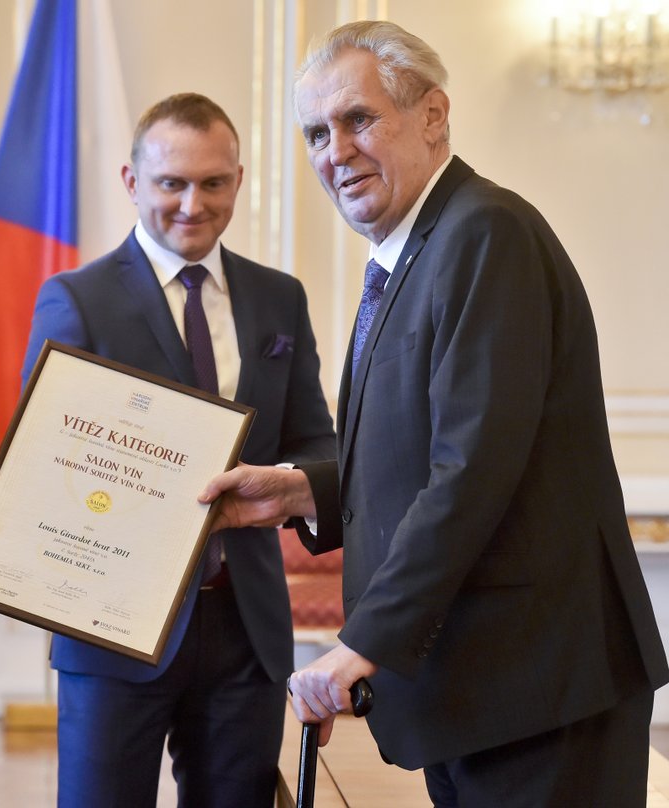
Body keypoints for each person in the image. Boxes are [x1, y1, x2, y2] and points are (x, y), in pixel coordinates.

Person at [200, 20, 669, 807]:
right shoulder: (414, 249)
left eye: (357, 119)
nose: (333, 151)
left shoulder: (485, 233)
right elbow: (422, 449)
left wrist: (361, 644)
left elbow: (474, 468)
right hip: (484, 694)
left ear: (433, 115)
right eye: (316, 132)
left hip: (540, 692)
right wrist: (301, 489)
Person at [21, 92, 336, 808]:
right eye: (172, 183)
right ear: (133, 183)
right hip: (111, 627)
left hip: (245, 626)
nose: (193, 204)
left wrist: (283, 481)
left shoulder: (278, 299)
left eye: (213, 183)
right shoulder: (76, 299)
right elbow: (41, 465)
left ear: (238, 180)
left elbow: (317, 439)